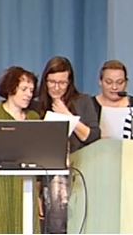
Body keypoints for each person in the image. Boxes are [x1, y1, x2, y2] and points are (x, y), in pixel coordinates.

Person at [32, 56, 101, 234]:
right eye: (52, 82)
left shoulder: (83, 101)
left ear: (69, 82)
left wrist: (68, 115)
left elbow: (92, 136)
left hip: (79, 169)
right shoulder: (36, 105)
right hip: (48, 172)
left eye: (62, 83)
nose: (57, 87)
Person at [0, 66, 41, 234]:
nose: (28, 94)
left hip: (25, 187)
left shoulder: (34, 117)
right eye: (24, 89)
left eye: (31, 90)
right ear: (11, 88)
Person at [92, 60, 133, 139]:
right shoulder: (89, 106)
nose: (114, 87)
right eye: (109, 82)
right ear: (100, 82)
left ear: (126, 83)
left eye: (119, 82)